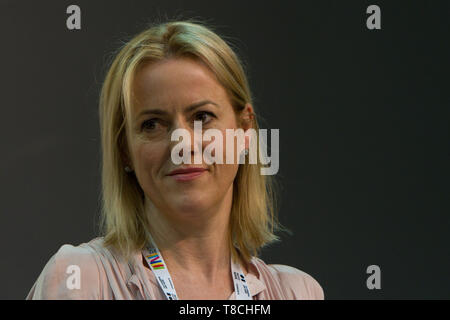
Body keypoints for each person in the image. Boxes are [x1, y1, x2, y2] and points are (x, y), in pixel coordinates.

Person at [26, 19, 324, 300]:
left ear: (244, 130)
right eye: (152, 124)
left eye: (202, 117)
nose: (182, 144)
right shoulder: (81, 278)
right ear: (124, 150)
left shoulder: (297, 292)